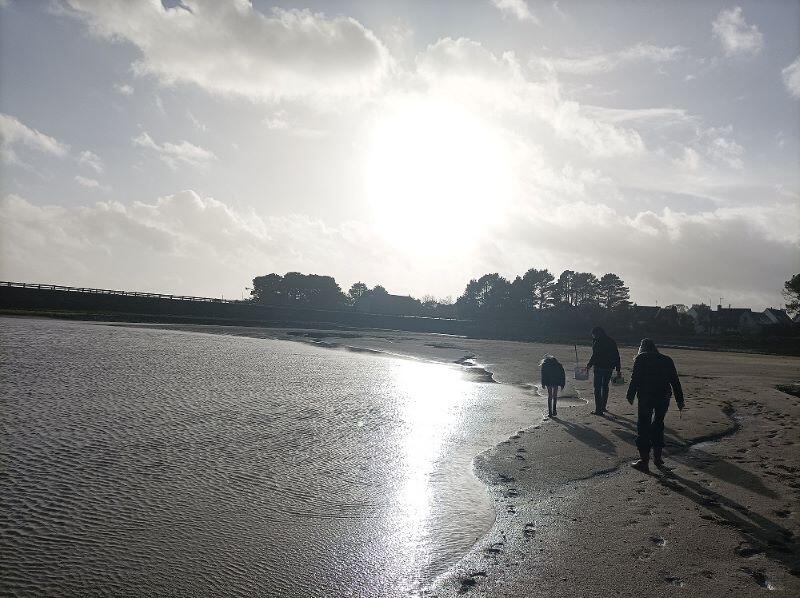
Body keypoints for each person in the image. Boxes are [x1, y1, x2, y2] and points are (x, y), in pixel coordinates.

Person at [625, 338, 684, 473]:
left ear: (642, 347)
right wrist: (680, 400)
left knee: (643, 426)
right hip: (663, 396)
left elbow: (635, 378)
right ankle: (658, 458)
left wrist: (630, 395)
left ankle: (644, 461)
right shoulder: (667, 359)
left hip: (646, 396)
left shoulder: (641, 358)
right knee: (658, 424)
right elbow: (675, 381)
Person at [586, 326, 620, 415]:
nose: (592, 336)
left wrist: (589, 365)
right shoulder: (611, 341)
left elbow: (595, 355)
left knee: (597, 388)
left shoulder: (597, 341)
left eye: (593, 334)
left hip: (599, 367)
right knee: (605, 386)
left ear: (596, 334)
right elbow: (617, 355)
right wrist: (618, 369)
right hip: (609, 367)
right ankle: (603, 407)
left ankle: (598, 410)